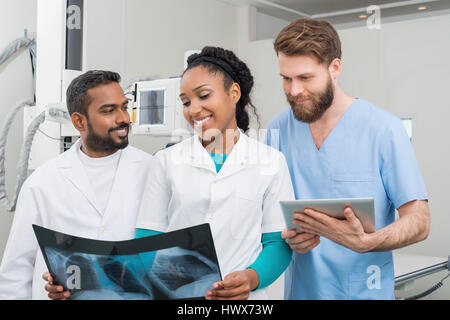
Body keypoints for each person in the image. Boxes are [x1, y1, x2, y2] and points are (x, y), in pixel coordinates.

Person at [266, 18, 430, 299]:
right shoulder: (277, 130)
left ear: (335, 68)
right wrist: (287, 238)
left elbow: (419, 220)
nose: (294, 90)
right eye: (286, 78)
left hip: (365, 292)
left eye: (306, 78)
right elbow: (268, 218)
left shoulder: (383, 129)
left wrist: (367, 241)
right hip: (301, 292)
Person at [135, 46, 295, 300]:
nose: (194, 109)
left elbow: (277, 242)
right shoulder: (166, 162)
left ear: (233, 93)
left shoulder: (271, 162)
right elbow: (147, 240)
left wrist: (251, 278)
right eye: (186, 102)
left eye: (204, 96)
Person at [0, 70, 153, 299]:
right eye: (109, 111)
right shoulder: (42, 183)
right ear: (79, 121)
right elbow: (17, 271)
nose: (123, 118)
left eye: (124, 106)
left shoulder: (153, 170)